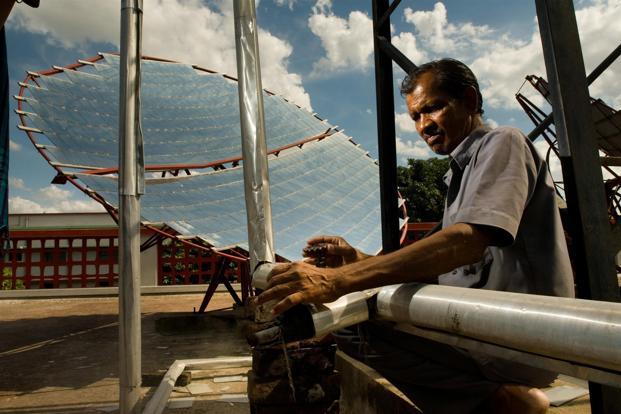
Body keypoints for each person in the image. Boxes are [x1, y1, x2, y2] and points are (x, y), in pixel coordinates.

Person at [257, 58, 575, 413]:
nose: (425, 125)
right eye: (415, 117)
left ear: (469, 101)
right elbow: (441, 264)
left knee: (355, 325)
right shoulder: (459, 174)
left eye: (433, 108)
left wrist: (337, 280)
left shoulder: (503, 143)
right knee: (350, 322)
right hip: (476, 328)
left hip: (516, 338)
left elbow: (465, 243)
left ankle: (498, 401)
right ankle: (493, 398)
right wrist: (358, 260)